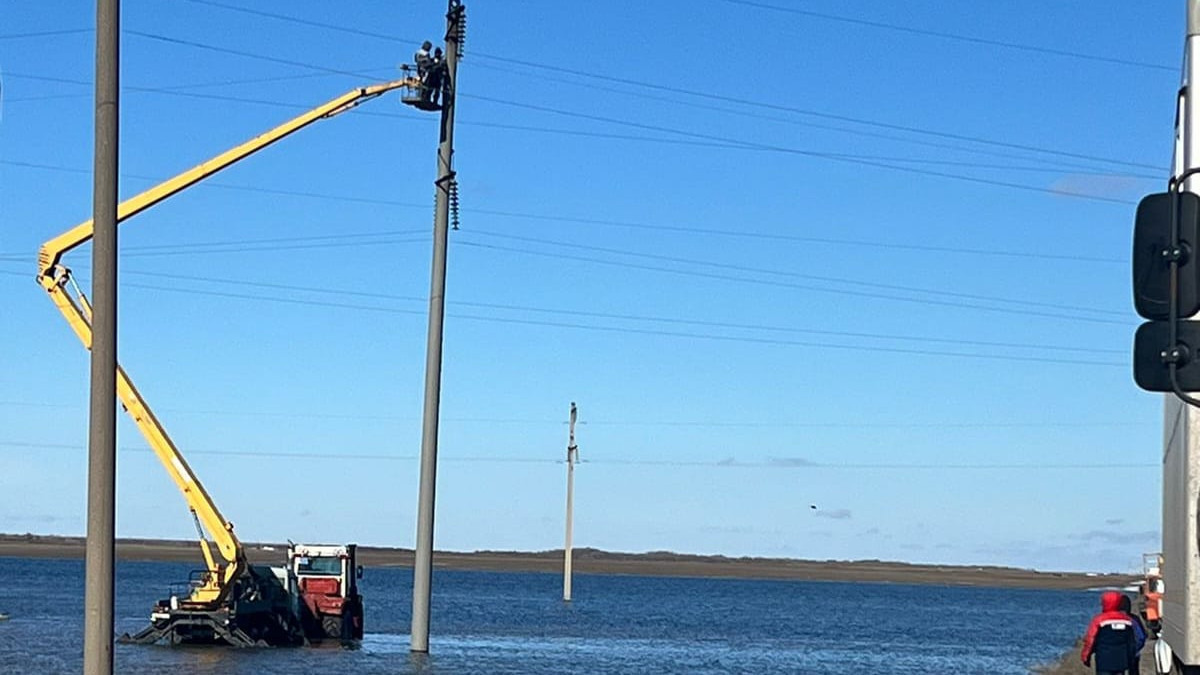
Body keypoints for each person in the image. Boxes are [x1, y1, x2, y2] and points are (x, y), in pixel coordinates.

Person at [1081, 590, 1139, 675]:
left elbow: (1090, 639)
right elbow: (1132, 643)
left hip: (1104, 661)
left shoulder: (1098, 620)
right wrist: (1131, 660)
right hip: (1121, 661)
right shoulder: (1127, 620)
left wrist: (1086, 657)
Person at [1118, 594, 1148, 674]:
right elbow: (1141, 637)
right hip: (1133, 655)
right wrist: (1135, 649)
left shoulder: (1112, 619)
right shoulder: (1134, 619)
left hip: (1116, 655)